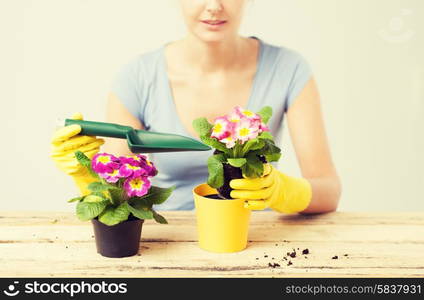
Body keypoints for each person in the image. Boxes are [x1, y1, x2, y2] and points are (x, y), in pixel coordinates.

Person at [51, 0, 341, 213]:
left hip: (257, 239)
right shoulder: (137, 78)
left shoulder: (288, 69)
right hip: (169, 243)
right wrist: (87, 176)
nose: (214, 6)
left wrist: (282, 191)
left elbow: (329, 191)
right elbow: (118, 190)